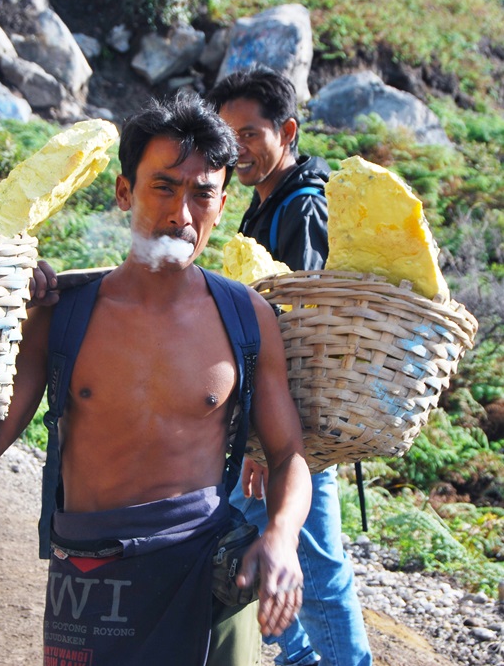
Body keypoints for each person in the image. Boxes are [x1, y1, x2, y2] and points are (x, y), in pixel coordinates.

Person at [0, 91, 312, 666]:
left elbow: (289, 453)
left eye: (202, 194)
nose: (182, 214)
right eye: (163, 187)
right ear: (124, 192)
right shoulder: (63, 313)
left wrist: (283, 538)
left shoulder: (247, 318)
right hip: (94, 584)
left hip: (206, 581)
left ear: (221, 205)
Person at [207, 67, 373, 666]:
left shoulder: (301, 207)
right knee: (235, 534)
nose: (237, 148)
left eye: (250, 133)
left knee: (317, 567)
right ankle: (301, 658)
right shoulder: (269, 202)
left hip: (294, 422)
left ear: (288, 130)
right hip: (275, 422)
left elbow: (295, 332)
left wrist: (265, 445)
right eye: (228, 135)